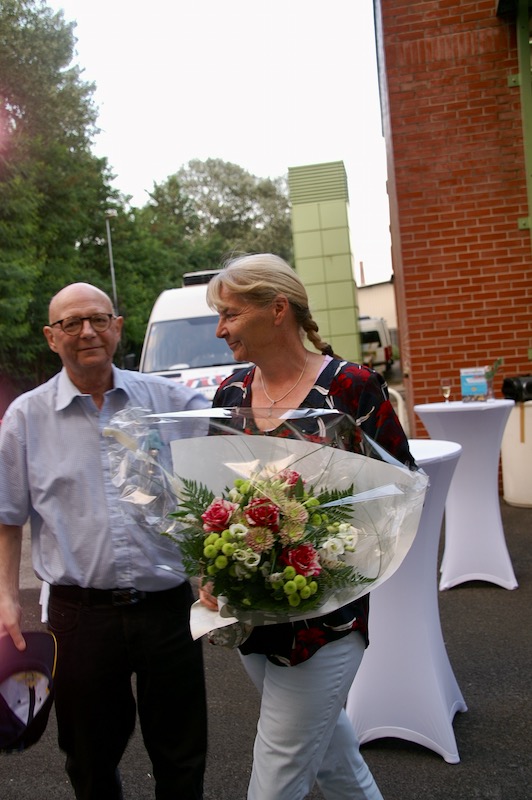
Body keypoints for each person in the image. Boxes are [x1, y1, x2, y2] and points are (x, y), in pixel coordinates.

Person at [201, 253, 416, 800]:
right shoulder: (230, 393)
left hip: (327, 618)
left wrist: (325, 541)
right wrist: (212, 564)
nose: (220, 329)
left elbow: (401, 488)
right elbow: (214, 493)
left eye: (230, 314)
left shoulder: (351, 387)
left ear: (277, 309)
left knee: (276, 778)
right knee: (336, 766)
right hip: (252, 612)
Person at [0, 283, 208, 800]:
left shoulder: (173, 403)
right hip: (80, 616)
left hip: (167, 610)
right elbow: (7, 517)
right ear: (51, 337)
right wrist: (5, 597)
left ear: (117, 326)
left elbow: (222, 479)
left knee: (181, 754)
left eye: (98, 319)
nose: (87, 331)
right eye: (71, 323)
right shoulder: (25, 419)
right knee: (89, 758)